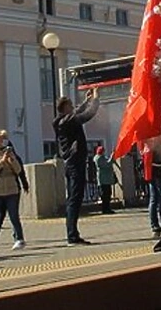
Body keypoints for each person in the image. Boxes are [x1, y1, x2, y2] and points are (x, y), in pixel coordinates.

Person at [52, 89, 99, 245]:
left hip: (70, 162)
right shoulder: (68, 121)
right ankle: (72, 235)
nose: (73, 107)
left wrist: (86, 101)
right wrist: (95, 101)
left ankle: (72, 233)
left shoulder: (62, 120)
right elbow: (86, 115)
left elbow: (77, 113)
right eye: (70, 105)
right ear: (65, 108)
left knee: (73, 198)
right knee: (74, 199)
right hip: (74, 161)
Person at [144, 139, 161, 239]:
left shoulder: (146, 143)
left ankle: (155, 227)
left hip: (150, 174)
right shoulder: (157, 142)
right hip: (159, 173)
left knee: (153, 199)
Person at [92, 145, 116, 214]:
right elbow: (107, 164)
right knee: (105, 196)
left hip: (106, 179)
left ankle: (107, 208)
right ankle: (106, 209)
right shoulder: (98, 158)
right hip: (103, 180)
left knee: (107, 195)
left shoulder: (101, 158)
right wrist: (112, 157)